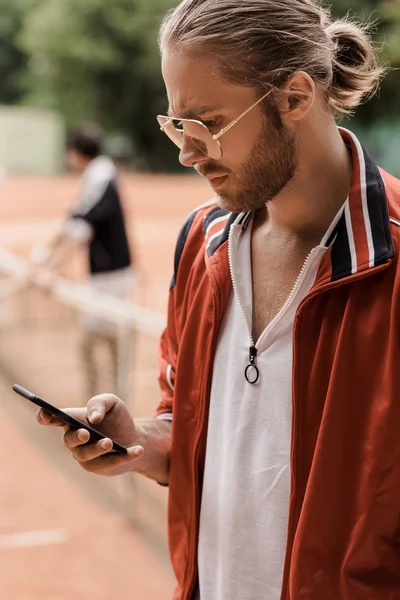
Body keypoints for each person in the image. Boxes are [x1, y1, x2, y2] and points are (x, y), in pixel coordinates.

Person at [38, 1, 400, 598]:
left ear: (296, 97)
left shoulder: (392, 260)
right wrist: (145, 443)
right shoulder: (201, 243)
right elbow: (195, 428)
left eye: (206, 123)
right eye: (176, 124)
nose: (186, 152)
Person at [32, 123, 135, 397]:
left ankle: (108, 403)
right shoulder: (97, 176)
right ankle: (110, 399)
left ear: (77, 153)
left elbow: (79, 226)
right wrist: (48, 262)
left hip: (111, 277)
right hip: (105, 274)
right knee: (102, 341)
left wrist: (51, 269)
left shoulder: (101, 178)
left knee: (97, 342)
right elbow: (75, 220)